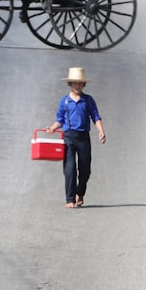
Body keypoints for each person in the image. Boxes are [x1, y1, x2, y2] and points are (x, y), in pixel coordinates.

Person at [46, 67, 106, 209]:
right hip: (69, 138)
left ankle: (80, 192)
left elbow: (95, 117)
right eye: (74, 83)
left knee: (85, 170)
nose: (77, 86)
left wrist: (101, 131)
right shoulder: (65, 101)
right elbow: (60, 120)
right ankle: (70, 199)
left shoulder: (88, 100)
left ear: (83, 84)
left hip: (83, 137)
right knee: (70, 168)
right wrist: (53, 128)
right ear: (70, 84)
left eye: (79, 83)